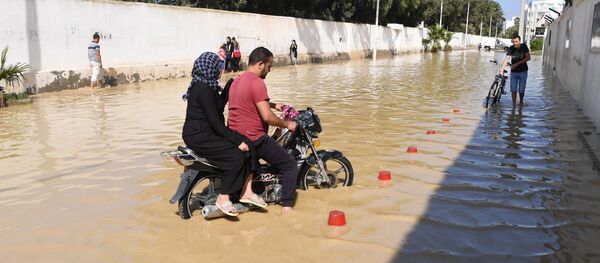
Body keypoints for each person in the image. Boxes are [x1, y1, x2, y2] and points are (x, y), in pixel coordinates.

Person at [182, 52, 266, 217]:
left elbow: (217, 108)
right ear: (210, 68)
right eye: (218, 67)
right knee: (236, 157)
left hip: (200, 134)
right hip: (202, 136)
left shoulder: (204, 85)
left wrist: (227, 89)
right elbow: (216, 123)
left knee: (248, 144)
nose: (220, 70)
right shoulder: (204, 89)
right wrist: (236, 141)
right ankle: (223, 197)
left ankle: (246, 192)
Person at [228, 47, 298, 214]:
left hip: (236, 136)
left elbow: (250, 101)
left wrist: (274, 104)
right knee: (289, 165)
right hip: (254, 138)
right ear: (260, 64)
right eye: (269, 66)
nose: (269, 70)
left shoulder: (237, 80)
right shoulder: (257, 82)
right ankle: (287, 207)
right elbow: (267, 116)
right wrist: (287, 124)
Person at [500, 35, 530, 112]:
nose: (515, 43)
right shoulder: (511, 48)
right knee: (513, 89)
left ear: (519, 41)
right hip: (514, 73)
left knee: (521, 90)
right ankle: (513, 106)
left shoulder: (524, 46)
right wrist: (502, 69)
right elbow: (507, 59)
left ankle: (521, 102)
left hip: (523, 71)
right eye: (513, 41)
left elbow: (528, 58)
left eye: (516, 41)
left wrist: (516, 64)